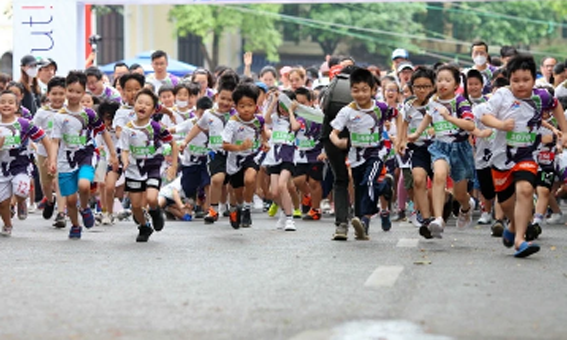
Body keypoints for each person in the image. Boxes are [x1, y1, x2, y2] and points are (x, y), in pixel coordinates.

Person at [480, 54, 567, 258]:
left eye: (525, 80)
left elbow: (556, 106)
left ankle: (520, 240)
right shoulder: (502, 95)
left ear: (533, 79)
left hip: (528, 154)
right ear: (509, 79)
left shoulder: (541, 96)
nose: (521, 85)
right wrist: (501, 125)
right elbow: (484, 115)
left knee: (526, 190)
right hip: (502, 157)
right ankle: (512, 227)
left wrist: (564, 131)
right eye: (515, 80)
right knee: (506, 204)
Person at [50, 71, 119, 240]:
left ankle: (86, 207)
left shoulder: (89, 114)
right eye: (70, 90)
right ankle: (75, 225)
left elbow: (104, 133)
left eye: (78, 91)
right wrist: (51, 160)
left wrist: (112, 153)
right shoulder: (59, 117)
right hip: (65, 160)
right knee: (71, 200)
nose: (73, 95)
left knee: (84, 185)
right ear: (66, 90)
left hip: (86, 155)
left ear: (84, 93)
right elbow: (54, 141)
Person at [329, 68, 397, 240]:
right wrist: (338, 142)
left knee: (368, 182)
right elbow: (333, 133)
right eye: (355, 90)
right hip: (356, 156)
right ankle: (385, 187)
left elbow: (400, 116)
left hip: (377, 153)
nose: (360, 95)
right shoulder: (347, 111)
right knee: (362, 188)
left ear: (373, 90)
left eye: (364, 90)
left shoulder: (380, 108)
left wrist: (401, 139)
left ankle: (364, 221)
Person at [409, 65, 475, 239]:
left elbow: (470, 125)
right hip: (440, 146)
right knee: (439, 175)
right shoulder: (434, 102)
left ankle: (467, 206)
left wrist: (449, 117)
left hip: (460, 149)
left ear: (456, 84)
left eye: (447, 80)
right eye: (439, 80)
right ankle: (438, 219)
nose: (442, 84)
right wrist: (416, 134)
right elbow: (428, 117)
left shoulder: (461, 102)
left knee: (460, 193)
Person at [119, 88, 177, 242]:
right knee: (136, 207)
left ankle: (155, 211)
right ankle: (144, 227)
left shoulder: (156, 127)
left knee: (152, 198)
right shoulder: (127, 129)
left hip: (153, 165)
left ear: (153, 109)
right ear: (134, 105)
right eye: (139, 102)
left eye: (147, 104)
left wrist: (174, 165)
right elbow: (124, 149)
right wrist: (124, 161)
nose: (142, 106)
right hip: (133, 169)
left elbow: (172, 142)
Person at [181, 78, 238, 225]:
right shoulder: (209, 114)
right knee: (216, 179)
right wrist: (185, 141)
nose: (225, 102)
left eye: (230, 100)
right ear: (216, 96)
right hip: (215, 153)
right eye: (223, 98)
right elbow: (197, 127)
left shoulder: (236, 115)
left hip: (234, 153)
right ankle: (213, 209)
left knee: (233, 185)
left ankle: (234, 209)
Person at [0, 90, 54, 236]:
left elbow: (43, 138)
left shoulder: (24, 124)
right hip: (2, 167)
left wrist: (51, 157)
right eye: (2, 102)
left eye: (10, 103)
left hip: (21, 165)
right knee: (2, 203)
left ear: (17, 106)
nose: (6, 105)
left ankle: (20, 201)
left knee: (21, 190)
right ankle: (7, 224)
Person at [221, 83, 267, 229]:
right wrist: (239, 147)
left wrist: (265, 142)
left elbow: (262, 133)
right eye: (242, 106)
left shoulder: (258, 120)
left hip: (251, 156)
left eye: (250, 105)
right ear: (236, 107)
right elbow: (225, 144)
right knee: (238, 192)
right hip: (235, 159)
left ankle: (247, 209)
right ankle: (238, 207)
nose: (246, 109)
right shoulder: (232, 123)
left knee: (250, 178)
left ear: (256, 105)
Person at [32, 76, 68, 228]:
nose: (58, 97)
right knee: (46, 183)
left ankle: (61, 214)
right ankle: (49, 200)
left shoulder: (69, 112)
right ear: (48, 95)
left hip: (63, 153)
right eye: (54, 93)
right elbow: (33, 132)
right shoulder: (41, 113)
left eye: (61, 93)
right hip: (43, 152)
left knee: (60, 181)